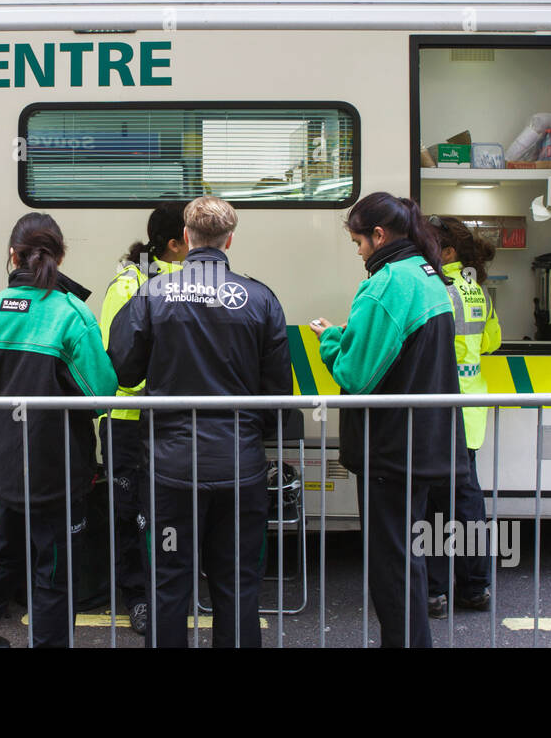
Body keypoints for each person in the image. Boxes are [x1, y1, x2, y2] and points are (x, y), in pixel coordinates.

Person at [107, 195, 292, 648]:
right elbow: (277, 392)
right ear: (229, 239)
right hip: (240, 465)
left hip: (171, 472)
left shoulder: (152, 293)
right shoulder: (260, 298)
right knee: (237, 584)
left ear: (187, 237)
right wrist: (254, 439)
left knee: (169, 583)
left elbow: (124, 370)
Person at [0, 213, 117, 648]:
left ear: (12, 254)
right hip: (58, 469)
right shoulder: (70, 314)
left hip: (6, 462)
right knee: (54, 572)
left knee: (4, 555)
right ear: (60, 255)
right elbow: (101, 390)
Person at [311, 192, 466, 649]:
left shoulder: (387, 284)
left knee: (390, 564)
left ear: (378, 236)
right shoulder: (427, 274)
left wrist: (331, 340)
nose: (358, 251)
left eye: (358, 241)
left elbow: (357, 374)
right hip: (421, 441)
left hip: (390, 446)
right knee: (406, 557)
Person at [97, 201, 189, 637]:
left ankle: (168, 592)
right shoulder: (130, 281)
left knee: (172, 512)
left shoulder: (194, 277)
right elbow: (116, 361)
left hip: (171, 419)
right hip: (132, 419)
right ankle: (139, 598)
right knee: (130, 513)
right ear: (175, 242)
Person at [424, 215, 502, 618]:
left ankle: (435, 592)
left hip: (442, 409)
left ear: (448, 252)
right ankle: (475, 588)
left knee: (436, 504)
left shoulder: (437, 289)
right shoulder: (477, 291)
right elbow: (491, 342)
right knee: (467, 501)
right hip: (471, 408)